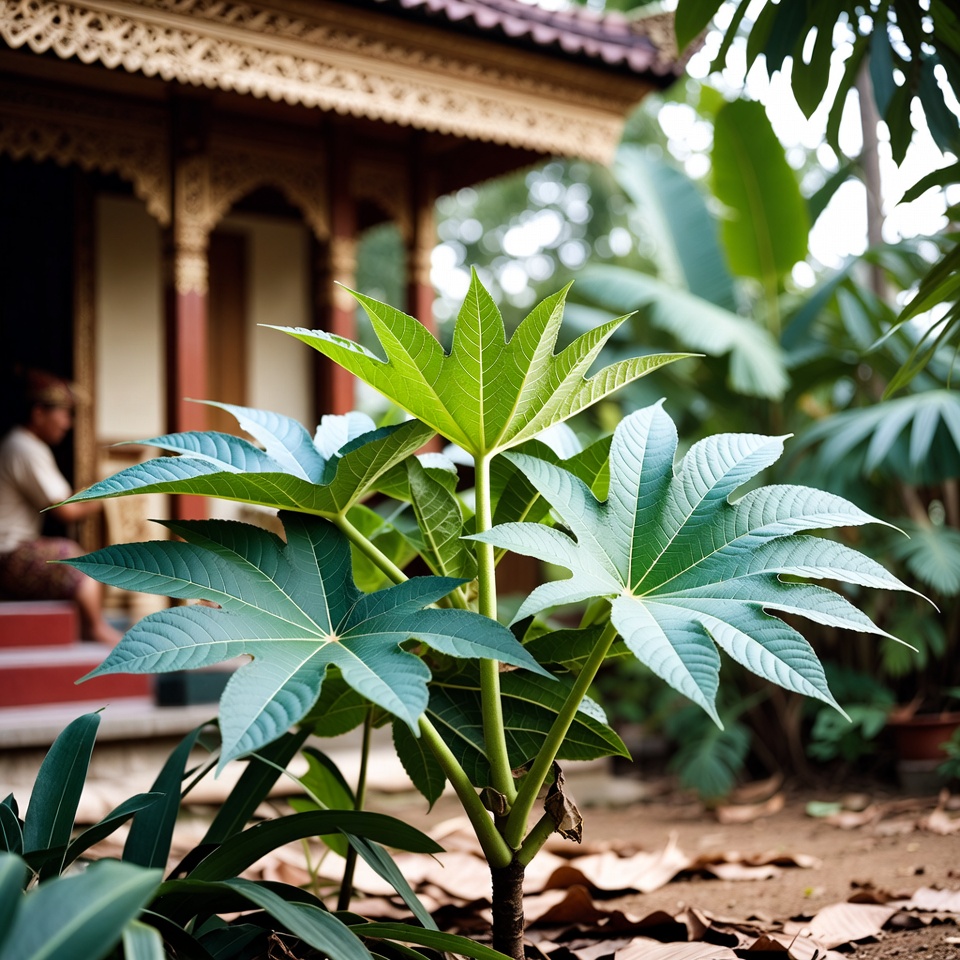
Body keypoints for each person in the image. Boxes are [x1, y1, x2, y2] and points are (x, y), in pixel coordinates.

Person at [0, 369, 121, 645]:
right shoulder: (25, 448)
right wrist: (109, 494)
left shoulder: (19, 445)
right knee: (74, 558)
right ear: (39, 412)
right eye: (63, 413)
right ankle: (95, 628)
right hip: (6, 555)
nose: (68, 423)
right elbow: (67, 510)